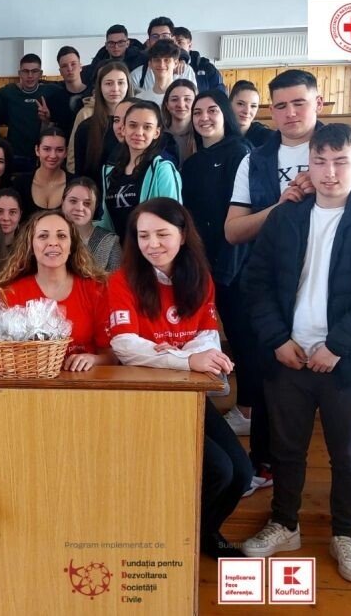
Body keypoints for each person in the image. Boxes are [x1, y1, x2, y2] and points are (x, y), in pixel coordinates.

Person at [239, 124, 351, 583]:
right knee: (285, 450)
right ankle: (284, 524)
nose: (330, 173)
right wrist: (277, 340)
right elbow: (256, 285)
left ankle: (345, 533)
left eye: (340, 162)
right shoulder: (286, 218)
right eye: (320, 162)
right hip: (289, 356)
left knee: (348, 456)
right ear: (308, 164)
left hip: (346, 362)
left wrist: (336, 347)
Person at [226, 69, 351, 499]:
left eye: (299, 102)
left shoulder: (350, 149)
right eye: (280, 105)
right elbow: (233, 232)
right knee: (275, 407)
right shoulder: (255, 159)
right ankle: (270, 477)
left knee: (348, 428)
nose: (290, 113)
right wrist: (282, 207)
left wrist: (325, 193)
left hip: (345, 299)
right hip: (280, 300)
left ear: (318, 103)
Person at [106, 198, 251, 559]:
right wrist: (188, 359)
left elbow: (206, 337)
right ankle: (178, 536)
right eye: (143, 236)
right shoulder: (122, 280)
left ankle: (204, 531)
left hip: (188, 392)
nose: (152, 244)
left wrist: (182, 357)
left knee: (241, 473)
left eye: (162, 234)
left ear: (183, 235)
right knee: (218, 470)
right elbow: (125, 346)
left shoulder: (199, 277)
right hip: (144, 397)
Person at [181, 90, 253, 435]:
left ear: (225, 114)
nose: (204, 117)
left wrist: (227, 268)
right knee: (201, 331)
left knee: (242, 336)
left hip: (235, 265)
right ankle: (213, 382)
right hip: (201, 262)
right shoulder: (192, 163)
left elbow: (244, 214)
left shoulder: (240, 153)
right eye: (198, 112)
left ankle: (248, 409)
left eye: (212, 110)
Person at [0, 210, 115, 372]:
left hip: (85, 383)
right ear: (31, 246)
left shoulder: (95, 289)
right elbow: (2, 356)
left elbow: (112, 356)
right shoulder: (11, 293)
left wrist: (93, 359)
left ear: (71, 246)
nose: (52, 242)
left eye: (61, 236)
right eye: (43, 236)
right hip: (33, 383)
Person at [99, 100, 182, 239]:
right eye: (133, 125)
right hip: (117, 251)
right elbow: (106, 224)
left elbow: (174, 220)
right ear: (123, 129)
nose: (139, 132)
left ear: (156, 132)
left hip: (151, 249)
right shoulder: (109, 172)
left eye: (147, 127)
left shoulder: (162, 170)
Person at [70, 62, 132, 179]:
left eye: (120, 83)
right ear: (99, 87)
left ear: (128, 85)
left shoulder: (137, 126)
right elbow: (80, 173)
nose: (115, 89)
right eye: (109, 83)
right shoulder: (86, 127)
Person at [0, 53, 53, 171]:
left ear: (40, 73)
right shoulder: (8, 92)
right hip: (15, 154)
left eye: (34, 71)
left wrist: (47, 119)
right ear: (19, 73)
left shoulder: (50, 92)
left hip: (42, 155)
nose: (30, 75)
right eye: (25, 71)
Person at [61, 177, 121, 272]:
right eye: (73, 201)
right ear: (62, 202)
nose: (79, 208)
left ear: (96, 206)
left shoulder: (109, 242)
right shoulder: (49, 238)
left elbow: (118, 280)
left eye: (87, 203)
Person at [13, 126, 73, 216]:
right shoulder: (20, 183)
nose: (53, 155)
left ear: (66, 152)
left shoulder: (75, 184)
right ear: (37, 150)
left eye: (59, 150)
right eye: (47, 149)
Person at [129, 17, 198, 94]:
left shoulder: (186, 71)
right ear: (148, 42)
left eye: (165, 36)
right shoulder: (137, 75)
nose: (160, 40)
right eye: (155, 36)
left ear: (173, 39)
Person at [81, 23, 146, 86]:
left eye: (120, 42)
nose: (116, 46)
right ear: (106, 45)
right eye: (111, 43)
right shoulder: (98, 62)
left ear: (127, 44)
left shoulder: (140, 61)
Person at [44, 46, 87, 139]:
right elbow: (49, 131)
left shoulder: (94, 95)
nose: (69, 69)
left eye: (73, 64)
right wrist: (46, 120)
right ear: (60, 71)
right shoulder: (54, 100)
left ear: (80, 67)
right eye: (64, 66)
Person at [173, 27, 226, 94]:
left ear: (190, 45)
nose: (175, 46)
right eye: (172, 43)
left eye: (179, 42)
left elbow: (219, 95)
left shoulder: (206, 67)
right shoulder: (165, 66)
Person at [133, 40, 183, 106]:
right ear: (150, 64)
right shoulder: (140, 99)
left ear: (176, 63)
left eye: (166, 60)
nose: (161, 65)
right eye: (157, 60)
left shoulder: (183, 98)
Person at [161, 79, 198, 165]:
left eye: (187, 99)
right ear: (167, 105)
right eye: (174, 99)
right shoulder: (157, 136)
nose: (181, 105)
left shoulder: (203, 136)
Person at [229, 80, 273, 148]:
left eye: (253, 106)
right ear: (229, 104)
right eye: (240, 104)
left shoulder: (268, 137)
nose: (247, 111)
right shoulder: (219, 134)